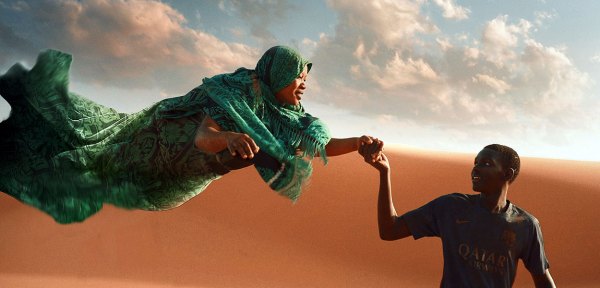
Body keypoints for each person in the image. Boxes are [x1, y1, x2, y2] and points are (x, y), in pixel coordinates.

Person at [0, 45, 380, 224]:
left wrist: (357, 143)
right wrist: (229, 139)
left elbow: (314, 145)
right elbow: (204, 133)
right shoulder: (240, 89)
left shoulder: (286, 116)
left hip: (185, 174)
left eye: (305, 78)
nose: (303, 84)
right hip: (161, 142)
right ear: (278, 72)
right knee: (89, 163)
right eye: (298, 75)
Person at [360, 142, 556, 287]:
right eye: (476, 162)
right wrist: (384, 173)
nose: (476, 168)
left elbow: (543, 279)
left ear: (507, 174)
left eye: (486, 163)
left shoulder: (526, 225)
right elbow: (389, 230)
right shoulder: (451, 207)